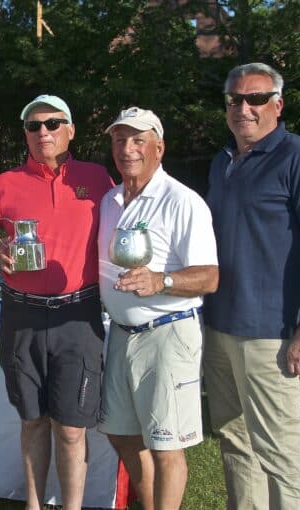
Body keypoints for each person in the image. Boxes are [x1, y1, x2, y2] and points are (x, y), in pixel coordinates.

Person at [203, 63, 300, 510]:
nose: (244, 108)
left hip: (271, 334)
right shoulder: (222, 160)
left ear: (277, 105)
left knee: (280, 454)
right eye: (235, 99)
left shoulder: (299, 157)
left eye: (256, 98)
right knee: (235, 443)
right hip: (219, 327)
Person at [0, 95, 112, 510]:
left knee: (70, 428)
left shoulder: (97, 179)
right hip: (22, 313)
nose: (43, 132)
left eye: (53, 124)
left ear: (70, 130)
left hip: (78, 314)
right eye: (34, 126)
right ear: (25, 134)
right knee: (32, 421)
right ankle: (32, 505)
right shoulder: (5, 184)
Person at [97, 107, 219, 510]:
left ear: (159, 148)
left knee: (167, 446)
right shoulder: (111, 199)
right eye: (119, 140)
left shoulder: (182, 201)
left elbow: (210, 277)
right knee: (122, 434)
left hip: (167, 332)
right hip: (121, 333)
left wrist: (161, 280)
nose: (127, 149)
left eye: (137, 140)